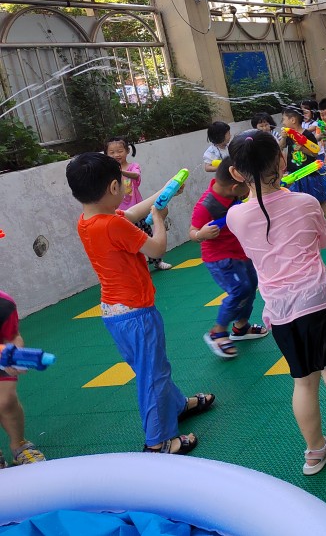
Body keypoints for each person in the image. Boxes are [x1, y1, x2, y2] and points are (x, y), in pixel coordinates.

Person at [225, 131, 326, 488]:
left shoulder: (235, 216)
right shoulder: (306, 202)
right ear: (282, 161)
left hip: (279, 310)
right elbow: (323, 240)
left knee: (303, 380)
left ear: (236, 173)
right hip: (318, 300)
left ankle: (315, 450)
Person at [66, 153, 215, 455]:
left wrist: (164, 192)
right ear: (113, 187)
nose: (124, 187)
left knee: (151, 368)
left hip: (115, 312)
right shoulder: (112, 225)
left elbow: (132, 212)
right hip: (136, 313)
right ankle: (158, 442)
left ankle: (176, 405)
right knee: (153, 375)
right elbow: (156, 248)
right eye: (121, 183)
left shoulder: (88, 220)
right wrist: (159, 219)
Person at [190, 159, 268, 359]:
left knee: (251, 286)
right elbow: (193, 232)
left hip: (241, 252)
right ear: (235, 187)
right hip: (219, 258)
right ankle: (218, 332)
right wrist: (201, 234)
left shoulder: (234, 194)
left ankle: (241, 327)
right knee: (239, 290)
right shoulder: (206, 206)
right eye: (248, 185)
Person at [106, 137, 172, 271]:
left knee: (147, 235)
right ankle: (136, 266)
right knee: (129, 241)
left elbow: (136, 176)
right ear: (106, 154)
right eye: (112, 152)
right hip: (122, 214)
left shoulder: (133, 166)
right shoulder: (108, 172)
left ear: (127, 151)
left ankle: (157, 261)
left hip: (138, 210)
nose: (116, 155)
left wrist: (120, 172)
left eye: (120, 151)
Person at [0, 291, 45, 468]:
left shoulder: (4, 304)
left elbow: (12, 337)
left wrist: (14, 356)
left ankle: (19, 446)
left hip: (1, 355)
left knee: (6, 401)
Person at [281, 107, 326, 234]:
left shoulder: (307, 135)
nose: (283, 122)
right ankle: (310, 225)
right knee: (300, 202)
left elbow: (315, 153)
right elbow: (281, 146)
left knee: (319, 198)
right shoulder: (289, 135)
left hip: (310, 172)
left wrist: (302, 149)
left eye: (284, 119)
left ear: (293, 120)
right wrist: (283, 138)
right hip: (295, 174)